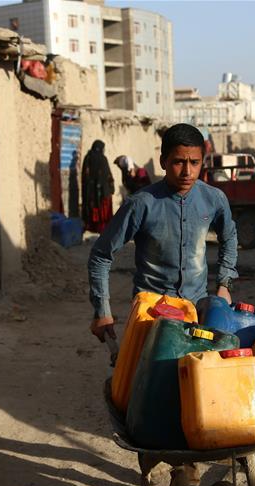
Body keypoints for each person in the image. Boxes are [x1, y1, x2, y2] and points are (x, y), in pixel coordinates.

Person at [88, 123, 238, 341]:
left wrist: (225, 284)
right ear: (163, 161)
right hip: (150, 315)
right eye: (178, 162)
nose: (187, 171)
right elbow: (101, 256)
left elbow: (229, 237)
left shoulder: (214, 199)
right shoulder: (141, 204)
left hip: (197, 312)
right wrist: (102, 311)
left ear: (202, 162)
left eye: (194, 163)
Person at [81, 140, 115, 233]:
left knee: (92, 206)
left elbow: (85, 176)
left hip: (90, 191)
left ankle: (91, 226)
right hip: (103, 191)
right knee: (103, 209)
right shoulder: (103, 159)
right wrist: (111, 188)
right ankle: (102, 227)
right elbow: (108, 175)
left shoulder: (88, 157)